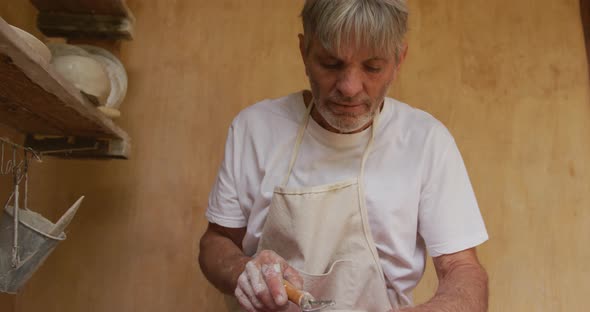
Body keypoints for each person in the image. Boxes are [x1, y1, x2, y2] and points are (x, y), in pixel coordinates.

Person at [199, 0, 489, 311]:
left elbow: (463, 270)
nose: (349, 87)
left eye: (372, 67)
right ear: (304, 52)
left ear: (399, 59)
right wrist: (244, 271)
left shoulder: (426, 141)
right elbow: (216, 242)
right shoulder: (254, 129)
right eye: (331, 64)